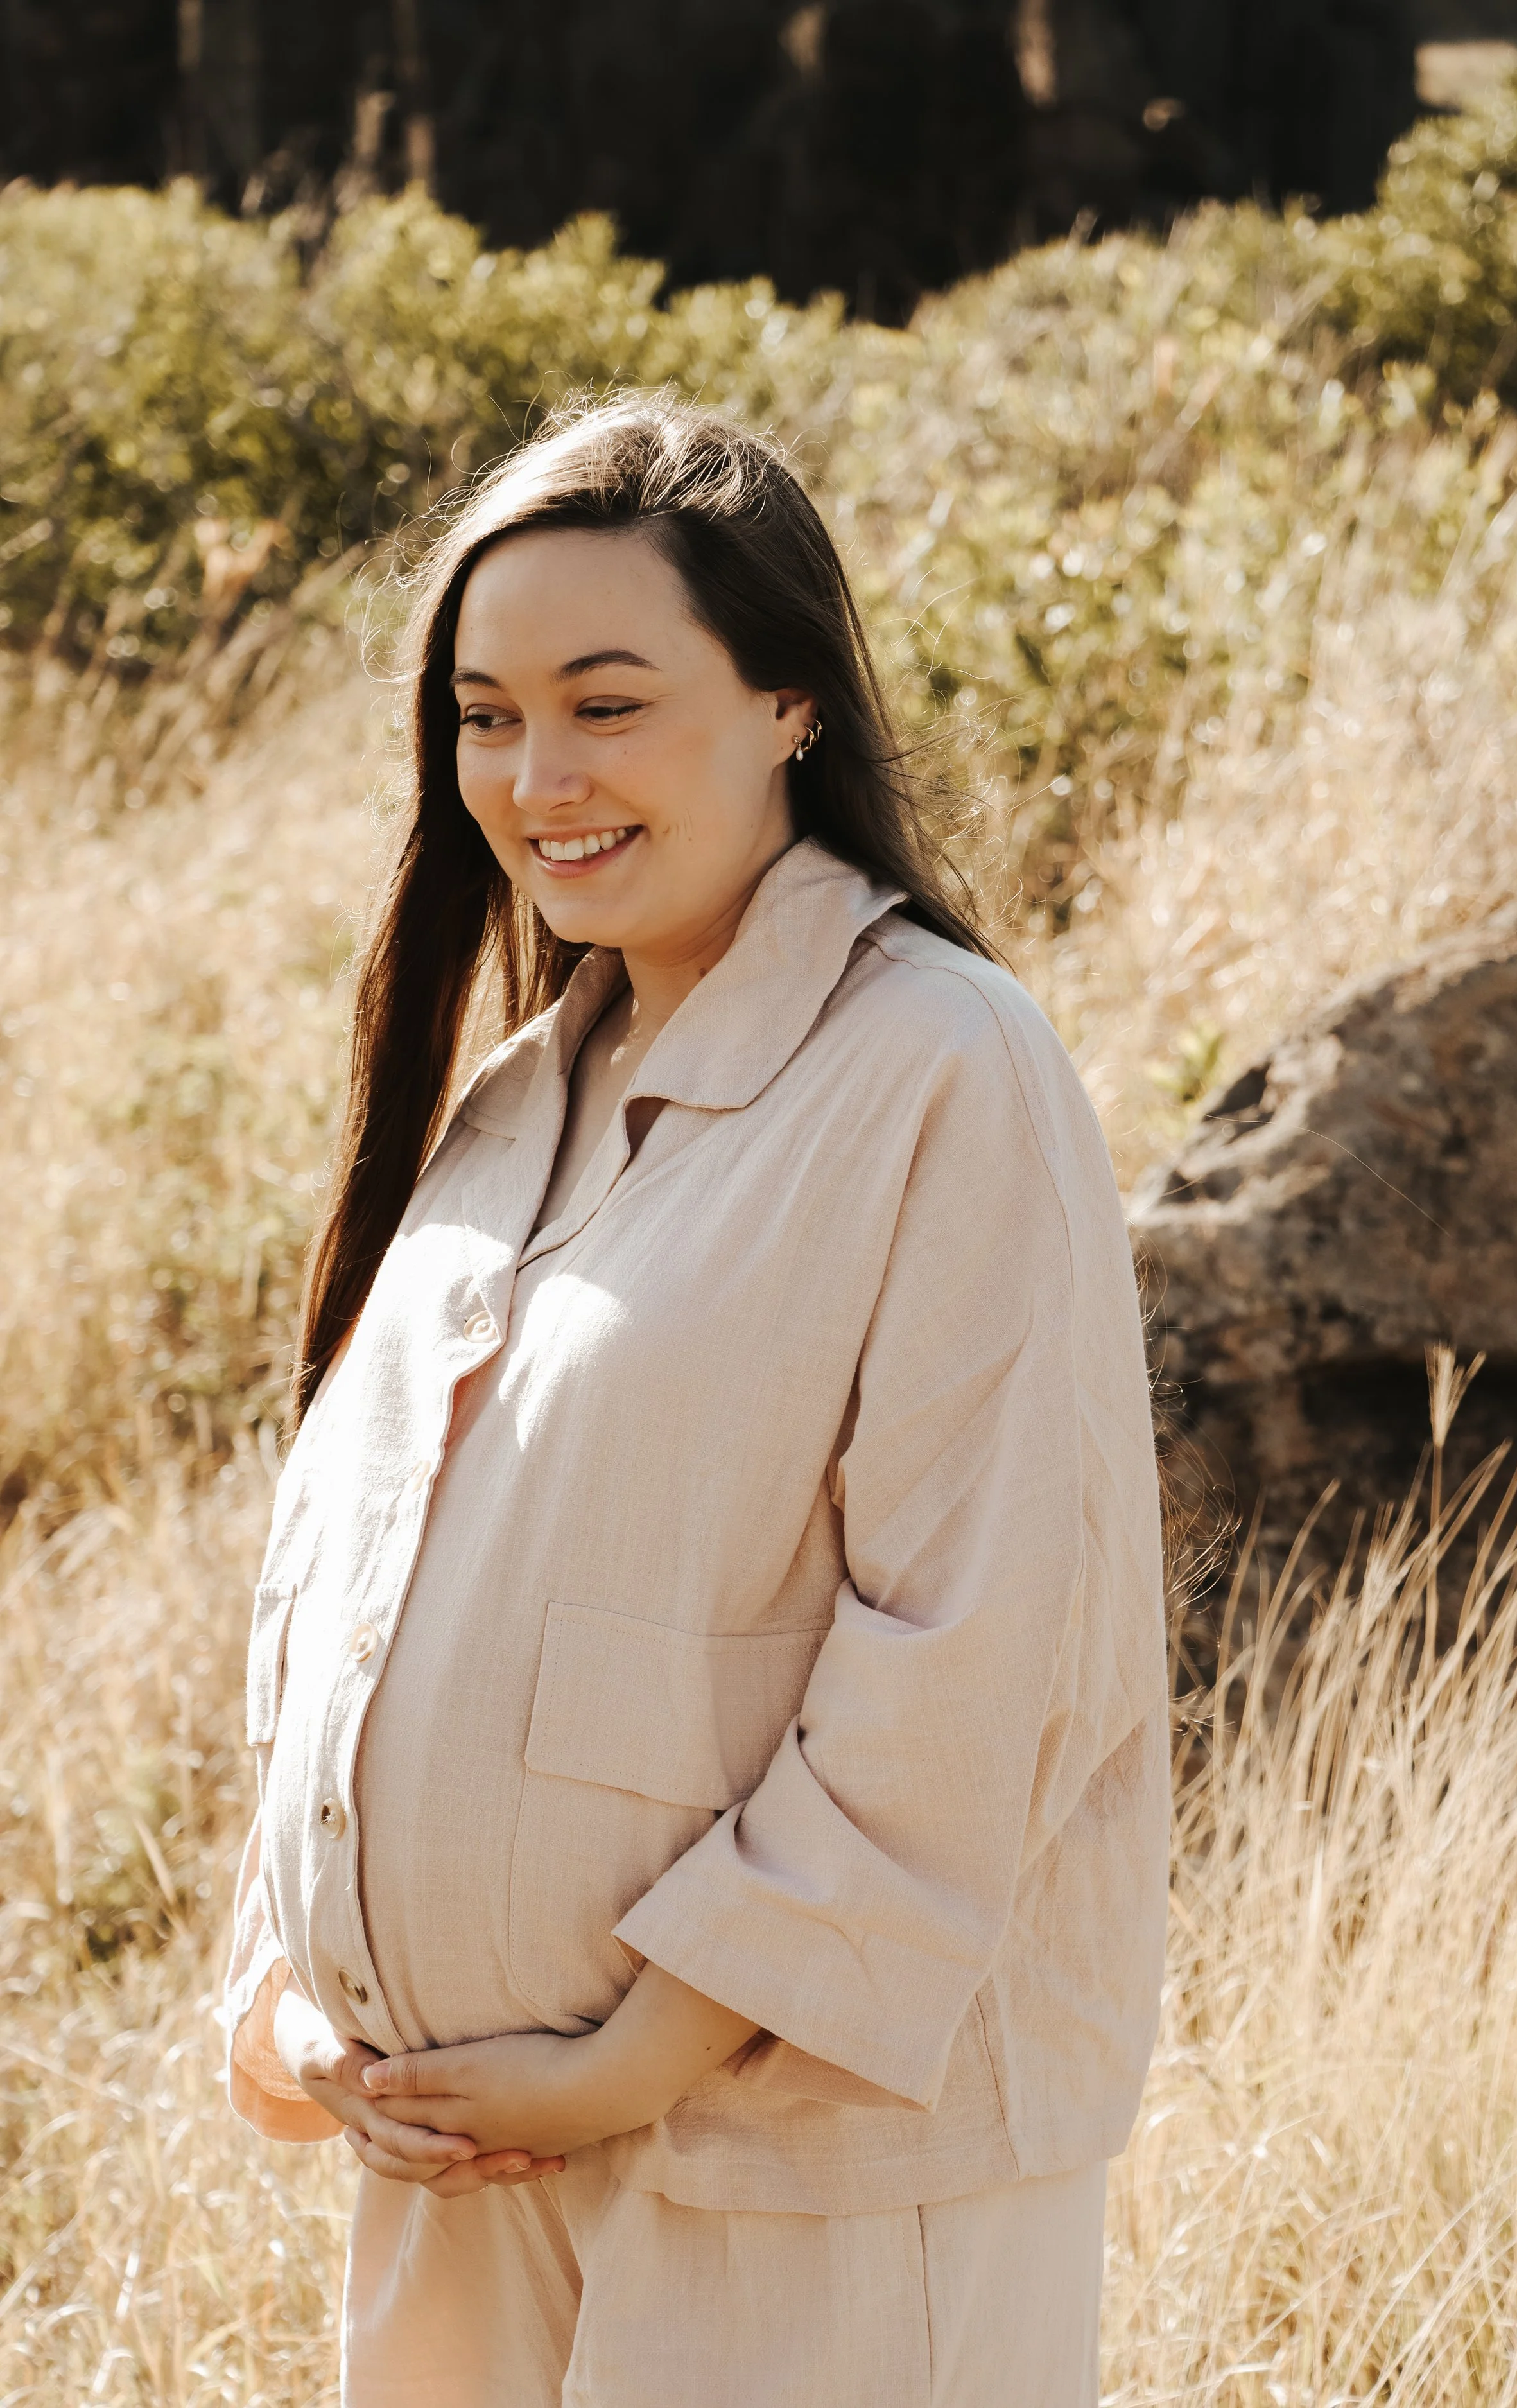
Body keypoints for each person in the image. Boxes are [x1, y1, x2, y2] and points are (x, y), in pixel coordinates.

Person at [225, 390, 1167, 2407]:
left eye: (607, 700)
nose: (535, 774)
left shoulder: (938, 1065)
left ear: (790, 706)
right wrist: (307, 2010)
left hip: (795, 2191)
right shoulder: (505, 1104)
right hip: (463, 2182)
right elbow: (356, 1599)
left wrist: (632, 2054)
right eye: (484, 713)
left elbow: (979, 1644)